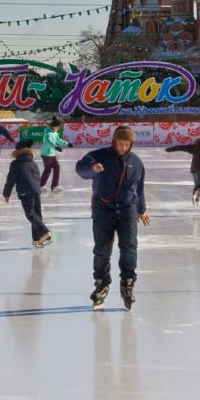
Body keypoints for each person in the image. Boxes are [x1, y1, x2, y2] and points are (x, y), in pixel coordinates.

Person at [76, 124, 149, 310]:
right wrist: (92, 169)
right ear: (113, 142)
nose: (123, 147)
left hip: (127, 210)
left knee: (129, 247)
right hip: (103, 209)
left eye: (127, 144)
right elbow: (80, 169)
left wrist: (141, 209)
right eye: (120, 143)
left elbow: (139, 188)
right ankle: (101, 284)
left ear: (131, 144)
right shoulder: (98, 156)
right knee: (102, 249)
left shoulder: (136, 162)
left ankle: (127, 283)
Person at [2, 138, 51, 247]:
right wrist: (37, 189)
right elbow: (37, 177)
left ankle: (45, 232)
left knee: (30, 214)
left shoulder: (16, 163)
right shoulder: (33, 163)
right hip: (36, 191)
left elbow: (11, 179)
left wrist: (6, 194)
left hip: (25, 191)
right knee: (37, 214)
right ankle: (38, 239)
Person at [38, 116, 70, 191]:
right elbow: (49, 142)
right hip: (46, 154)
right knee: (48, 170)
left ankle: (55, 186)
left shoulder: (54, 132)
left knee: (57, 167)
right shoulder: (48, 133)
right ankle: (41, 186)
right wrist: (56, 147)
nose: (58, 128)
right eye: (58, 127)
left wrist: (67, 144)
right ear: (54, 126)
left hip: (52, 154)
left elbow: (58, 140)